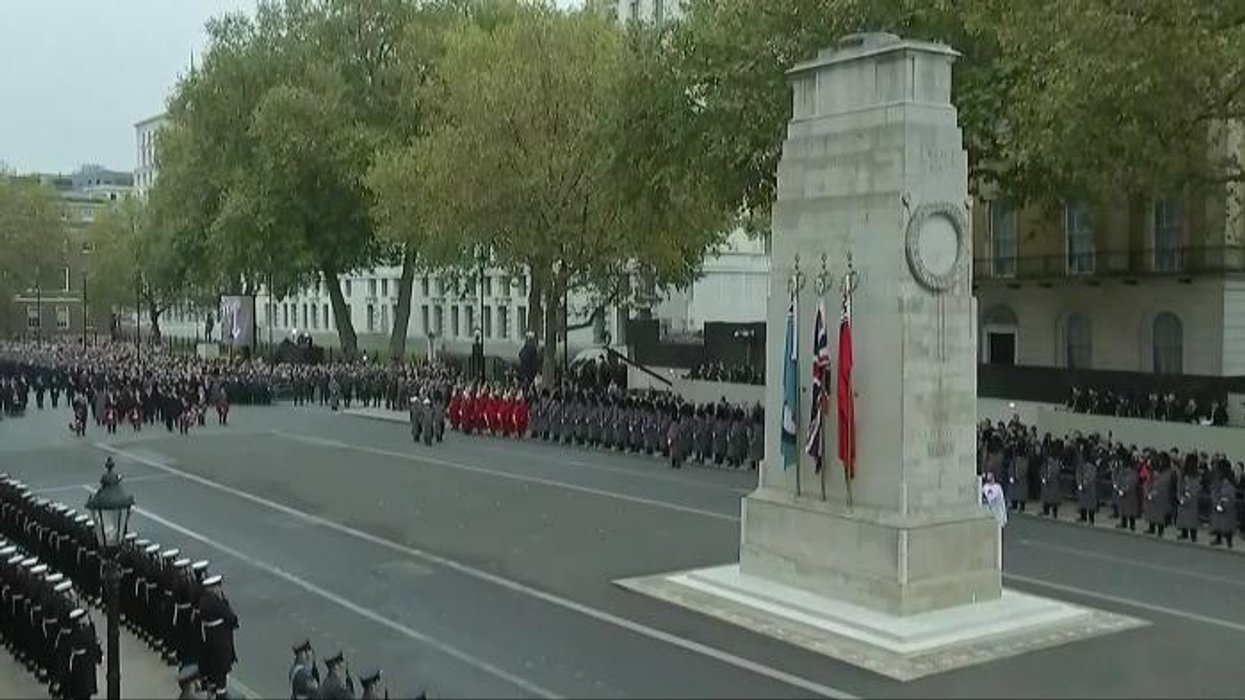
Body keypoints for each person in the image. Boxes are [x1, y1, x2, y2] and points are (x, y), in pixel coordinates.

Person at [196, 575, 238, 698]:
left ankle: (211, 692)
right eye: (217, 586)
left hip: (208, 637)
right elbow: (230, 616)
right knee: (221, 667)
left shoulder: (203, 600)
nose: (219, 589)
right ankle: (221, 694)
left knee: (212, 668)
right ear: (212, 588)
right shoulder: (216, 602)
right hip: (220, 637)